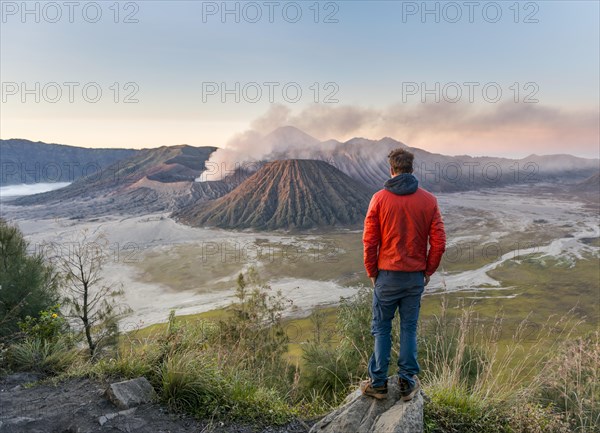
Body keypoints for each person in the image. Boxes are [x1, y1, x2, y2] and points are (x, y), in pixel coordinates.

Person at [360, 148, 446, 401]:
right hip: (414, 277)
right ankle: (407, 383)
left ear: (391, 170)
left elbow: (369, 241)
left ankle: (378, 384)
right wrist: (428, 271)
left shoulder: (379, 199)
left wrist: (371, 271)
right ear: (411, 169)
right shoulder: (429, 200)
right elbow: (439, 242)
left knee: (382, 328)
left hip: (387, 275)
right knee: (408, 328)